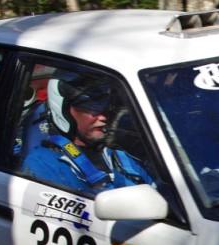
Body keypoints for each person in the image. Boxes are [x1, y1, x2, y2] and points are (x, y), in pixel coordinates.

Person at [21, 72, 154, 193]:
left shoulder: (119, 155)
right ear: (65, 110)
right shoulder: (43, 164)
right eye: (92, 107)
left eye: (106, 105)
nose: (103, 116)